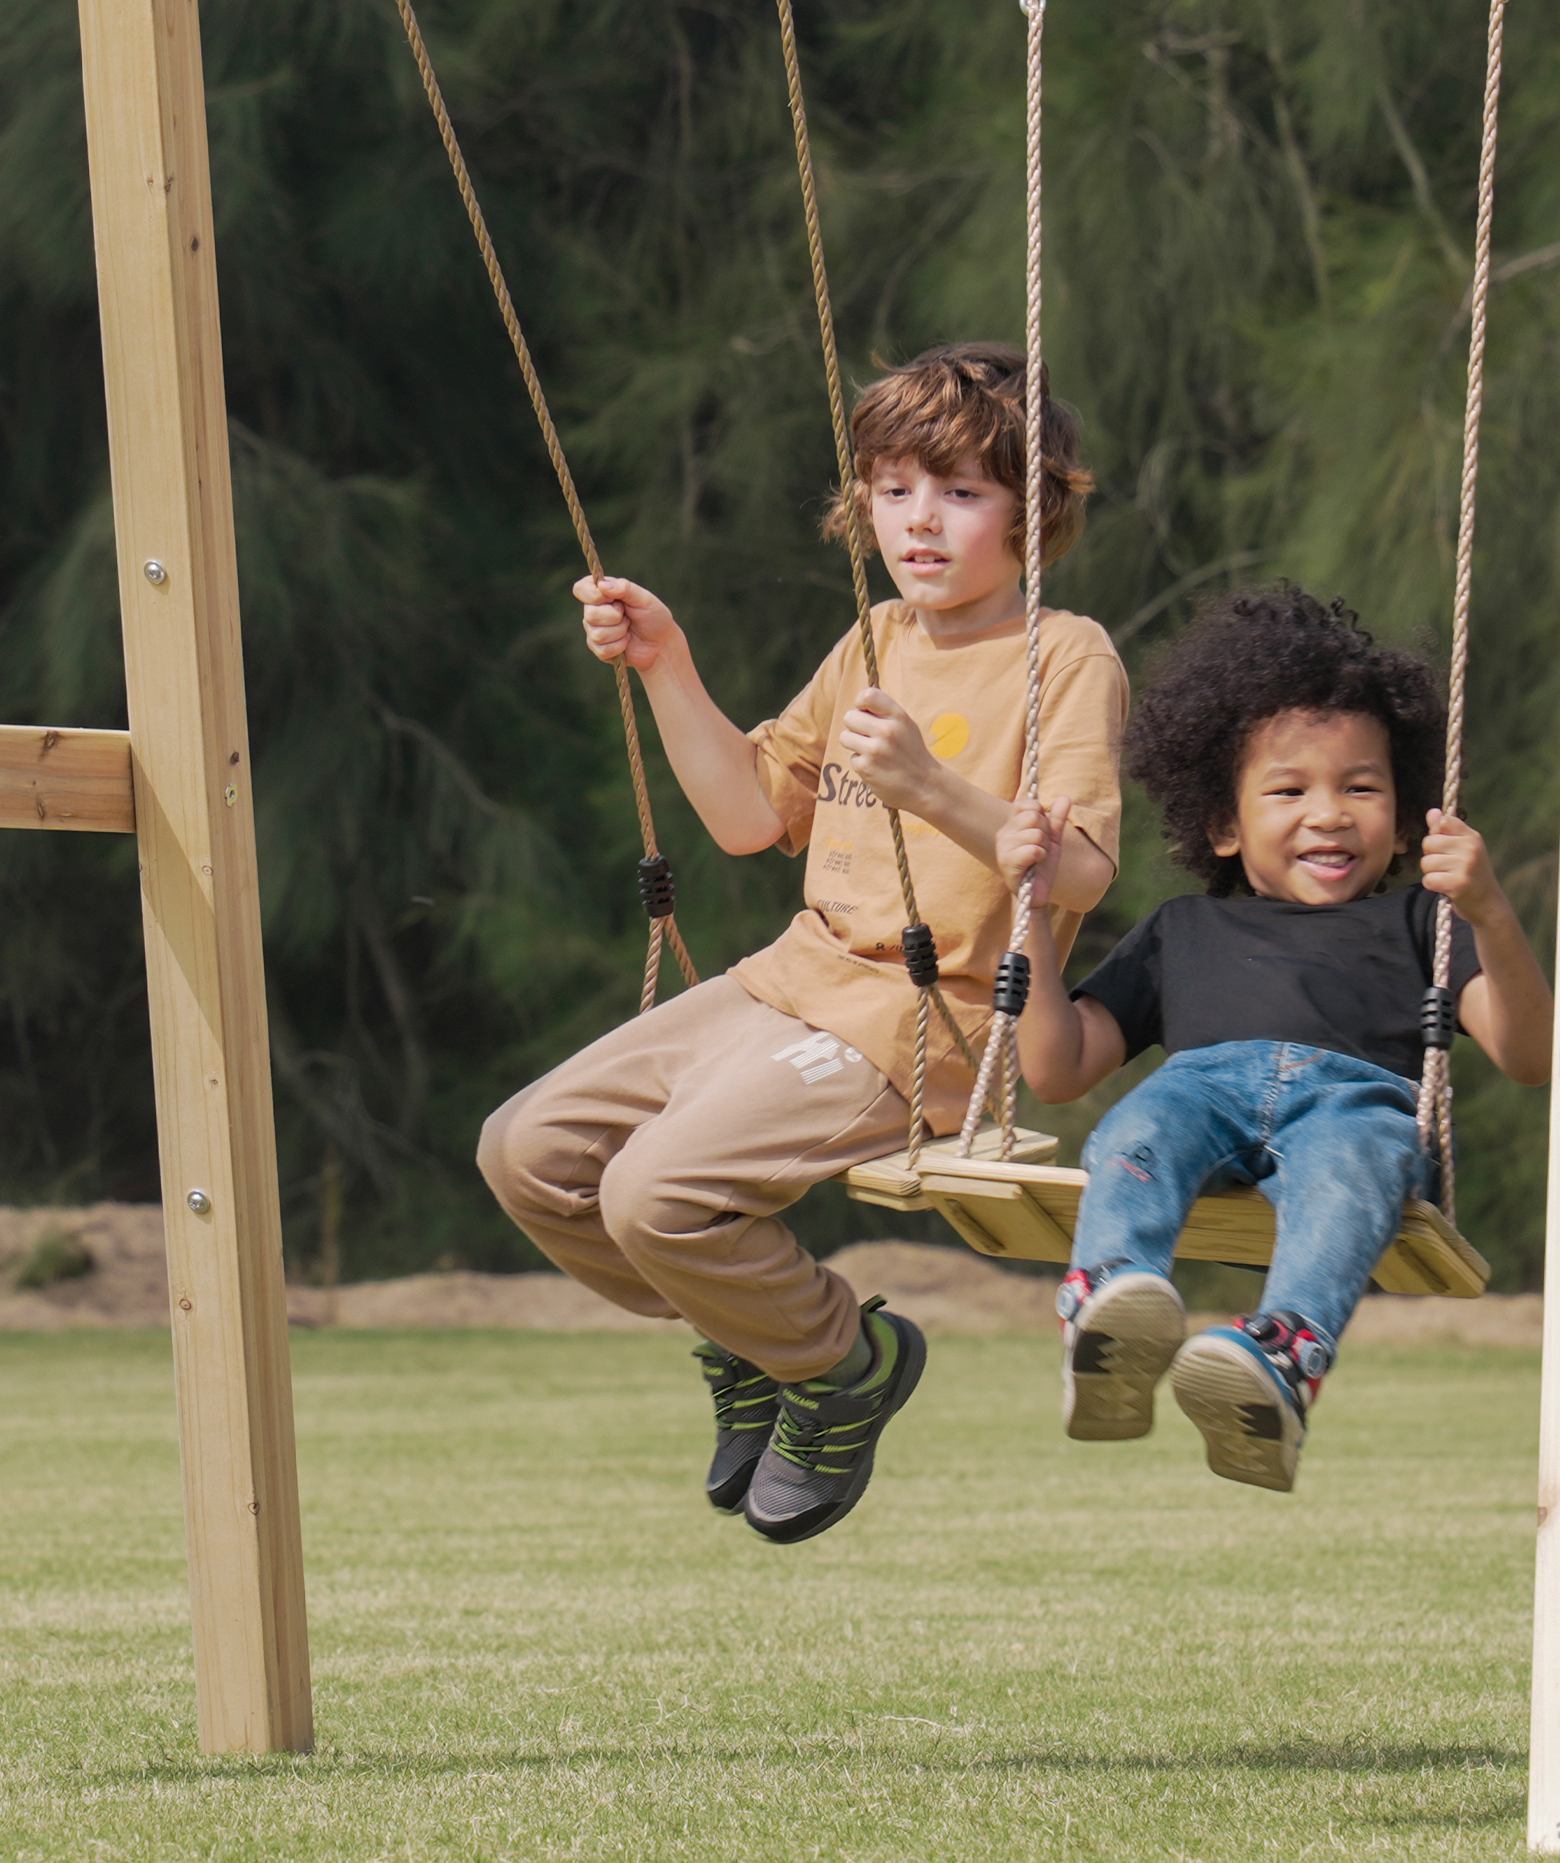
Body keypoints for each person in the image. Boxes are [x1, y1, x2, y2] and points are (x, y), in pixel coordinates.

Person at [477, 344, 1126, 1544]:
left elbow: (1081, 867)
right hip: (792, 976)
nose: (918, 523)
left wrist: (934, 789)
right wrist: (667, 662)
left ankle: (845, 1360)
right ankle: (756, 1342)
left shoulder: (1065, 654)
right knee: (527, 1155)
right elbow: (742, 817)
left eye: (961, 493)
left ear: (1033, 514)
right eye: (892, 490)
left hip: (925, 1019)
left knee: (654, 1195)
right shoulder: (873, 639)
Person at [997, 583, 1551, 1492]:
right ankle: (1107, 1310)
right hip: (1200, 1092)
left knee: (1352, 1170)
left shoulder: (1425, 923)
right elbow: (1059, 1069)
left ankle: (1280, 1362)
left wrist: (1487, 910)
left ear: (1405, 810)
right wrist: (1037, 913)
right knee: (1136, 1134)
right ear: (1223, 823)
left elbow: (1528, 1055)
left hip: (1353, 1104)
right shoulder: (1182, 932)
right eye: (1288, 789)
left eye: (1361, 787)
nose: (1328, 813)